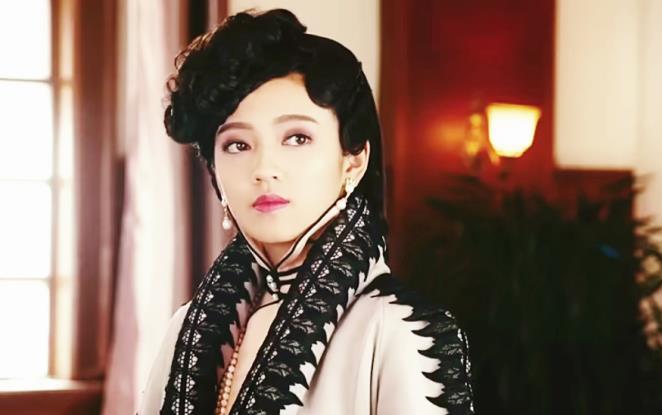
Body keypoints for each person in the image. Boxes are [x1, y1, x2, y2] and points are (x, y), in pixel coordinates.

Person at [138, 8, 475, 415]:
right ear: (215, 173)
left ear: (353, 161)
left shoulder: (400, 332)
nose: (264, 169)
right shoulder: (185, 329)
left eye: (297, 138)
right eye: (237, 145)